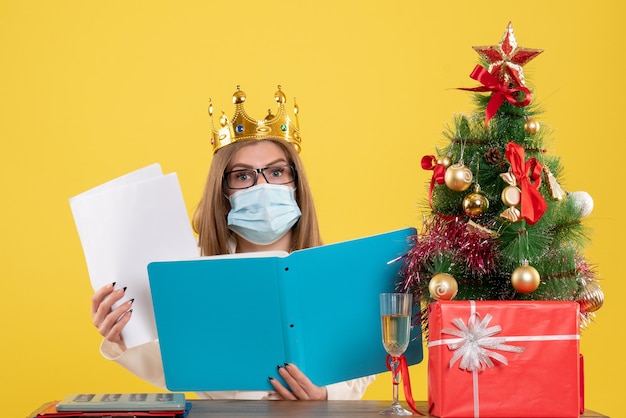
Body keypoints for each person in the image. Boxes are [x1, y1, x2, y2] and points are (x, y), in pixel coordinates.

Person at [90, 86, 375, 400]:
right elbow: (177, 361)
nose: (263, 185)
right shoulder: (187, 269)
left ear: (296, 182)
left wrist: (324, 396)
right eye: (243, 176)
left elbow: (360, 369)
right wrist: (122, 337)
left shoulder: (336, 268)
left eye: (277, 172)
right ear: (223, 190)